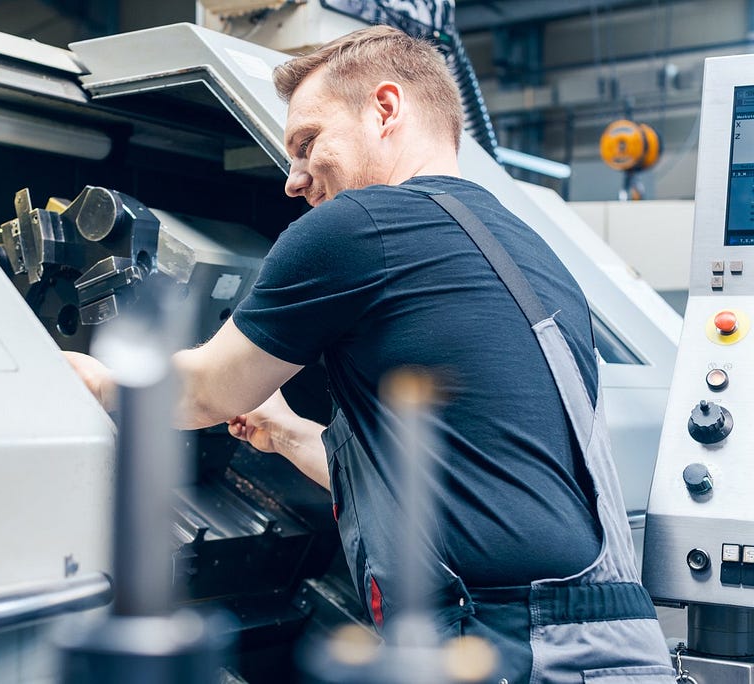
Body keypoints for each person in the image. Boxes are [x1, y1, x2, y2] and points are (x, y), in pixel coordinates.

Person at [67, 25, 675, 683]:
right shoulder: (528, 248)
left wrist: (90, 379)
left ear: (385, 108)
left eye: (306, 144)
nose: (292, 181)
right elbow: (471, 475)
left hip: (511, 650)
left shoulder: (358, 226)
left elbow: (201, 393)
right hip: (620, 649)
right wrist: (292, 435)